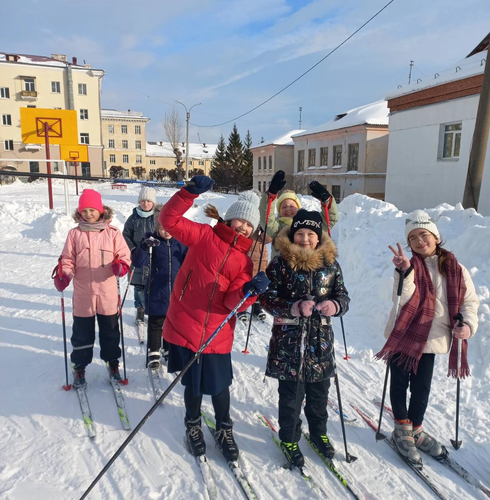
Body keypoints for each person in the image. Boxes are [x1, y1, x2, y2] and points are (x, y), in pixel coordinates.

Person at [158, 176, 270, 461]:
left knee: (220, 387)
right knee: (192, 385)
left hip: (216, 334)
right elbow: (169, 220)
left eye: (248, 225)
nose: (243, 227)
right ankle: (192, 424)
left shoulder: (245, 262)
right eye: (240, 221)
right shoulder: (204, 235)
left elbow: (234, 304)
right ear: (229, 218)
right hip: (186, 322)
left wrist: (249, 291)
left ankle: (224, 428)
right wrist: (187, 194)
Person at [376, 210, 479, 465]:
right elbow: (400, 298)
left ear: (435, 236)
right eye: (413, 238)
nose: (420, 241)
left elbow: (469, 302)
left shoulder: (456, 269)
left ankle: (416, 429)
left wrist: (467, 325)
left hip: (432, 340)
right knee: (400, 384)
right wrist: (404, 272)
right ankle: (402, 428)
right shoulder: (409, 266)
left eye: (424, 235)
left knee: (421, 389)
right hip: (405, 335)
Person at [260, 209, 350, 466]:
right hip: (289, 346)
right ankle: (289, 438)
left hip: (320, 344)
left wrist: (335, 305)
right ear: (292, 234)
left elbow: (344, 296)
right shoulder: (280, 264)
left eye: (311, 233)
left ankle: (319, 434)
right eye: (300, 233)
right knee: (291, 397)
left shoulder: (331, 264)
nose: (306, 238)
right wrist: (293, 307)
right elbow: (266, 298)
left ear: (319, 237)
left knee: (320, 396)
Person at [54, 189, 131, 387]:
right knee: (82, 333)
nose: (88, 214)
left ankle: (112, 363)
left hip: (107, 292)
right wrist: (64, 275)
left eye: (92, 210)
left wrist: (121, 266)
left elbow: (124, 256)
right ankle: (79, 367)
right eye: (84, 210)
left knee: (111, 332)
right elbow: (68, 259)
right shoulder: (75, 234)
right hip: (83, 293)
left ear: (101, 210)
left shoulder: (112, 233)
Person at [131, 204, 188, 368]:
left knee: (172, 323)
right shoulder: (152, 242)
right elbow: (137, 262)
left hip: (176, 292)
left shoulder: (181, 244)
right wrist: (143, 247)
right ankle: (153, 352)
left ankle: (169, 349)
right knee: (156, 323)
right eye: (162, 228)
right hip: (156, 290)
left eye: (170, 227)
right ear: (157, 227)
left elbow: (189, 261)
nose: (166, 231)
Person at [259, 170, 339, 259]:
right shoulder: (277, 229)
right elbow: (265, 217)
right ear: (279, 211)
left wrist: (327, 200)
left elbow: (330, 219)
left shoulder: (310, 225)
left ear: (298, 208)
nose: (288, 209)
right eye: (284, 207)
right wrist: (270, 195)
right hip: (281, 270)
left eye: (292, 206)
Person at [123, 186, 156, 325]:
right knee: (139, 287)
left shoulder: (157, 217)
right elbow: (125, 235)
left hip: (154, 257)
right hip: (137, 257)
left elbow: (163, 232)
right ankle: (140, 310)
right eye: (142, 201)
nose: (145, 204)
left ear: (153, 203)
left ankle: (155, 311)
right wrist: (133, 249)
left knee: (154, 285)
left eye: (148, 201)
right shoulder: (133, 218)